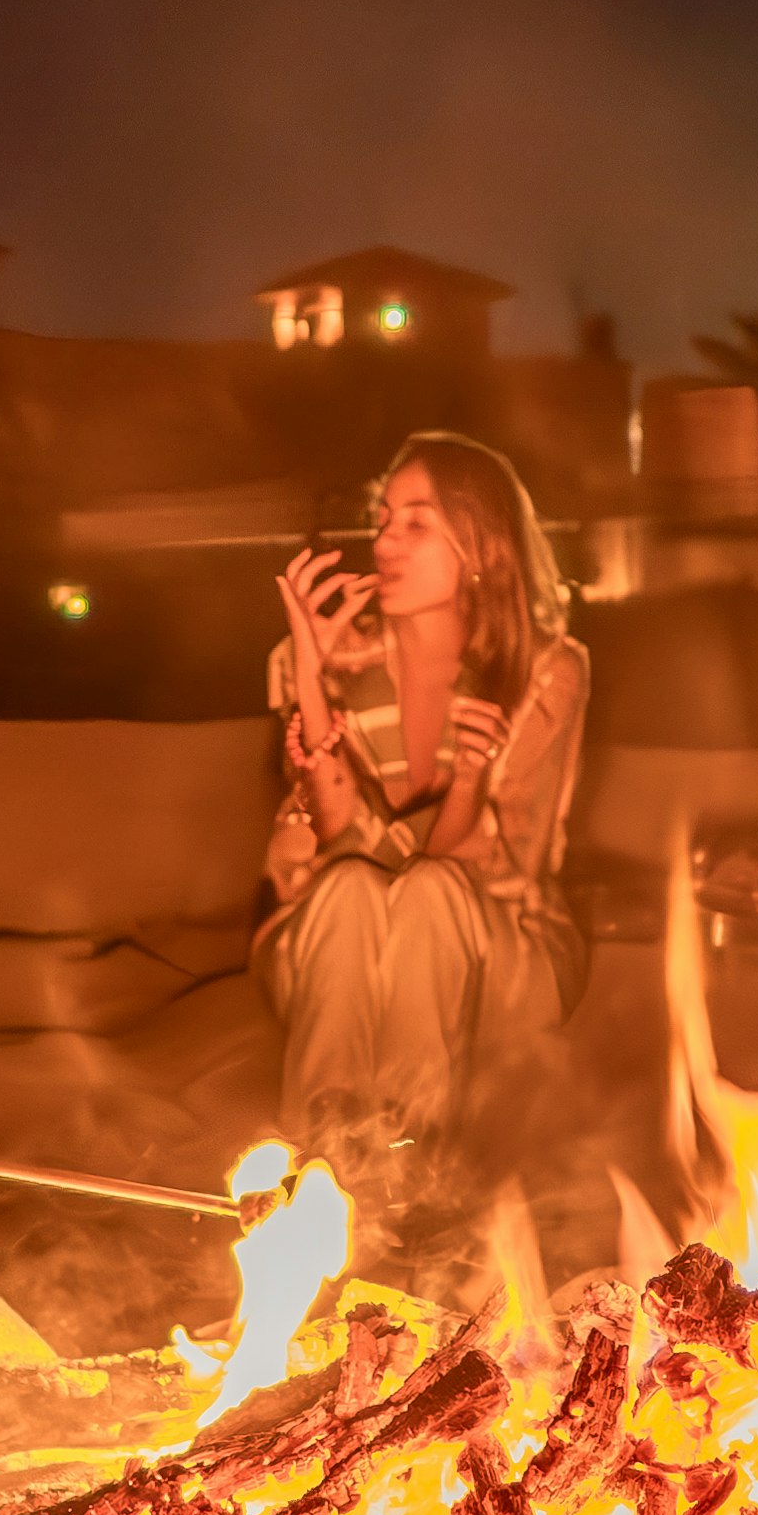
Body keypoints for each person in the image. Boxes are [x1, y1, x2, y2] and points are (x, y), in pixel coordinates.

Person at [255, 430, 593, 1176]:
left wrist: (467, 780)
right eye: (382, 520)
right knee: (347, 891)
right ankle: (316, 1172)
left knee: (429, 894)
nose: (384, 543)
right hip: (339, 950)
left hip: (499, 947)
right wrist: (312, 673)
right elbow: (333, 837)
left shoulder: (547, 670)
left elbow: (494, 867)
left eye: (415, 523)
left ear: (480, 545)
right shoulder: (326, 658)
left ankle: (411, 1167)